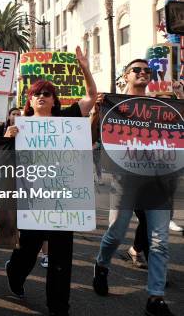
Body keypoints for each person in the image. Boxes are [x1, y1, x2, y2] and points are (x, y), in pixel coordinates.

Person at [5, 46, 96, 316]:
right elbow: (5, 162)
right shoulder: (19, 126)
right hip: (32, 200)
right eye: (37, 94)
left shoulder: (67, 119)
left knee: (61, 256)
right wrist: (8, 138)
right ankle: (15, 271)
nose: (42, 96)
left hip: (63, 199)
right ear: (29, 100)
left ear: (54, 100)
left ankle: (59, 306)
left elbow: (91, 97)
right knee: (29, 249)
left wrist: (84, 67)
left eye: (47, 93)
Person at [92, 59, 182, 316]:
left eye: (147, 71)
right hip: (125, 180)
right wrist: (97, 112)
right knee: (116, 233)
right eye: (137, 70)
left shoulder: (161, 107)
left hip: (159, 182)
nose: (143, 73)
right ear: (126, 76)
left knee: (160, 242)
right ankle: (102, 264)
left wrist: (181, 100)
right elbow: (94, 136)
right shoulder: (114, 105)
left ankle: (155, 298)